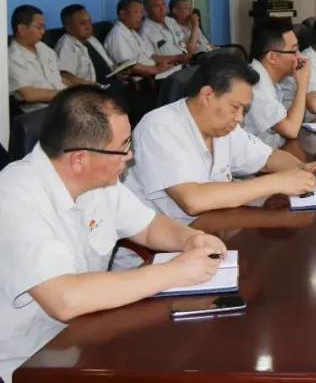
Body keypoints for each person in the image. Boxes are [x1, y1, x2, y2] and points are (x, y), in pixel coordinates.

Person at [0, 86, 227, 381]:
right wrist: (175, 272)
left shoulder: (99, 181)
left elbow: (149, 226)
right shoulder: (16, 198)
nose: (129, 155)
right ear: (79, 159)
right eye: (122, 147)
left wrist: (190, 239)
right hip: (29, 362)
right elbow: (64, 300)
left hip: (86, 337)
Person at [125, 54, 316, 223]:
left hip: (212, 227)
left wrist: (301, 169)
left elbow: (268, 158)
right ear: (207, 95)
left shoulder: (224, 128)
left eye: (243, 109)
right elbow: (192, 200)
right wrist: (276, 182)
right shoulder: (160, 127)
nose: (240, 118)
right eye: (235, 107)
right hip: (162, 248)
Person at [242, 19, 310, 148]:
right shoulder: (256, 86)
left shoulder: (270, 80)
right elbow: (291, 130)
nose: (299, 57)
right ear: (272, 57)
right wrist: (302, 83)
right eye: (294, 51)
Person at [8, 5, 69, 112]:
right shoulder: (12, 57)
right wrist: (67, 95)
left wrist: (77, 90)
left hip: (64, 102)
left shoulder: (43, 48)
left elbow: (60, 77)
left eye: (43, 27)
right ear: (22, 29)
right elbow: (29, 94)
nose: (43, 32)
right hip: (40, 110)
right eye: (39, 27)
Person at [103, 0, 175, 79]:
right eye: (136, 12)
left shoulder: (131, 31)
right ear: (122, 14)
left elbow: (150, 54)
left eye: (141, 12)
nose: (140, 16)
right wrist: (157, 69)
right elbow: (130, 67)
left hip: (154, 70)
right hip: (145, 78)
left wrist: (166, 61)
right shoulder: (117, 36)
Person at [55, 4, 123, 86]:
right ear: (68, 27)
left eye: (90, 21)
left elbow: (107, 64)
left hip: (114, 84)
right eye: (83, 23)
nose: (89, 27)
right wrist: (92, 86)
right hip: (95, 91)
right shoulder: (66, 46)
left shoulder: (92, 39)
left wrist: (118, 71)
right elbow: (66, 77)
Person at [138, 0, 192, 64]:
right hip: (171, 68)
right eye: (157, 6)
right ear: (146, 10)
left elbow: (183, 42)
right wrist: (177, 58)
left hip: (187, 63)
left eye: (163, 4)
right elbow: (150, 57)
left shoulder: (171, 21)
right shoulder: (145, 31)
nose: (162, 9)